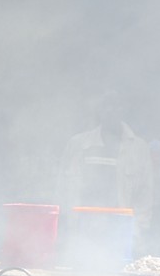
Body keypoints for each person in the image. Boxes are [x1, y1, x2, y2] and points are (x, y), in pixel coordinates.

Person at [59, 91, 154, 232]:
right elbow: (61, 191)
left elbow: (145, 196)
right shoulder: (77, 144)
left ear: (124, 109)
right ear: (100, 110)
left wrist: (137, 233)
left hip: (120, 232)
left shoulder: (139, 149)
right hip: (80, 230)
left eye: (117, 105)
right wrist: (64, 229)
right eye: (107, 105)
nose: (112, 110)